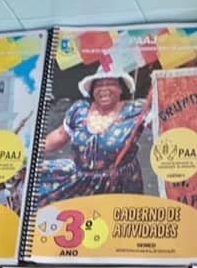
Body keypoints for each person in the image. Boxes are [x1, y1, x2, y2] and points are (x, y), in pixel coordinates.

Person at [41, 71, 149, 201]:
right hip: (81, 183)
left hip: (119, 187)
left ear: (121, 88)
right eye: (99, 84)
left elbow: (163, 123)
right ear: (92, 90)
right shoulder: (80, 110)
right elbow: (60, 135)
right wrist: (31, 152)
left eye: (110, 83)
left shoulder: (136, 109)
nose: (104, 88)